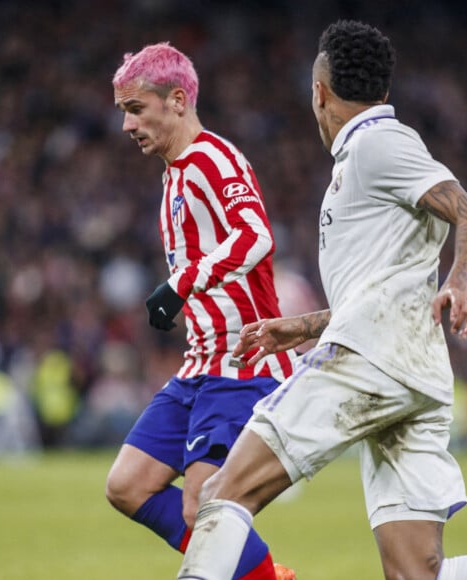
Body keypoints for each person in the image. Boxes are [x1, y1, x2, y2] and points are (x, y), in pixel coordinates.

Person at [178, 20, 467, 580]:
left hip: (367, 361)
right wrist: (301, 327)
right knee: (416, 572)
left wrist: (457, 283)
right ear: (382, 90)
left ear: (319, 92)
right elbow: (383, 290)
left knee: (222, 490)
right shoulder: (368, 160)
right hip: (414, 370)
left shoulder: (378, 143)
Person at [106, 42, 297, 580]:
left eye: (135, 109)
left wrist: (180, 284)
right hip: (200, 365)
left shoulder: (213, 158)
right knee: (127, 485)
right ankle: (262, 575)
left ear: (178, 100)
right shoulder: (173, 175)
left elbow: (257, 235)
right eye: (123, 110)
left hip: (243, 362)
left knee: (202, 505)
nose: (126, 125)